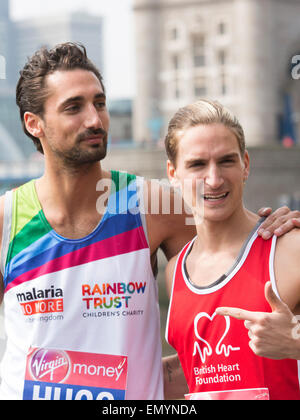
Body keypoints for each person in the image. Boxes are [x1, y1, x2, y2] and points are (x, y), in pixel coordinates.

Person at [0, 43, 297, 400]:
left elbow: (236, 257)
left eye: (100, 103)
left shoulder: (152, 205)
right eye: (74, 107)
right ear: (34, 124)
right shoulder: (7, 219)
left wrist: (275, 231)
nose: (95, 120)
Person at [164, 99, 300, 400]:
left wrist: (295, 341)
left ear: (245, 164)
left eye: (226, 161)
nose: (214, 180)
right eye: (197, 164)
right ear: (173, 174)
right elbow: (197, 374)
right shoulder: (175, 271)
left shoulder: (289, 248)